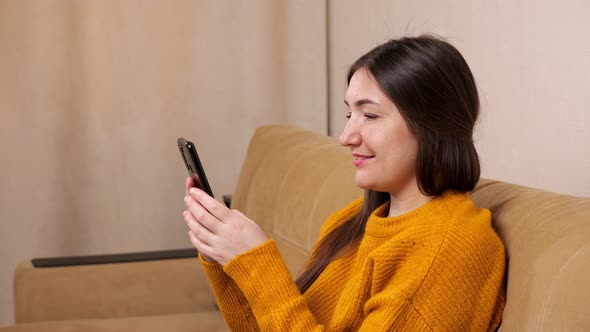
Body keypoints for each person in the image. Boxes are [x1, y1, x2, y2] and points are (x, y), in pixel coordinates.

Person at [182, 35, 506, 331]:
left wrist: (256, 262)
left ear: (432, 126)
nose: (346, 138)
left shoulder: (452, 248)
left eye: (371, 116)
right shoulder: (354, 222)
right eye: (349, 115)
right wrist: (225, 256)